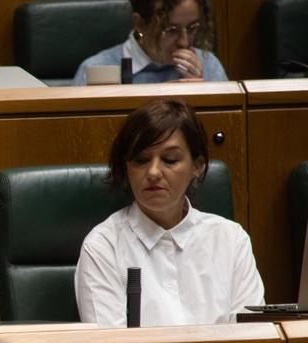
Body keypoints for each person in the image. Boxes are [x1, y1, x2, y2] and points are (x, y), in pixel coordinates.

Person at [76, 98, 263, 327]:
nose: (153, 172)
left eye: (170, 159)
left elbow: (254, 337)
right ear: (126, 168)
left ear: (197, 166)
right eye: (141, 160)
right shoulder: (103, 246)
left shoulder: (231, 239)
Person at [73, 0, 227, 85]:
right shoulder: (94, 70)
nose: (184, 42)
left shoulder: (208, 66)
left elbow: (227, 136)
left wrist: (202, 96)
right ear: (139, 23)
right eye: (171, 30)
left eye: (193, 27)